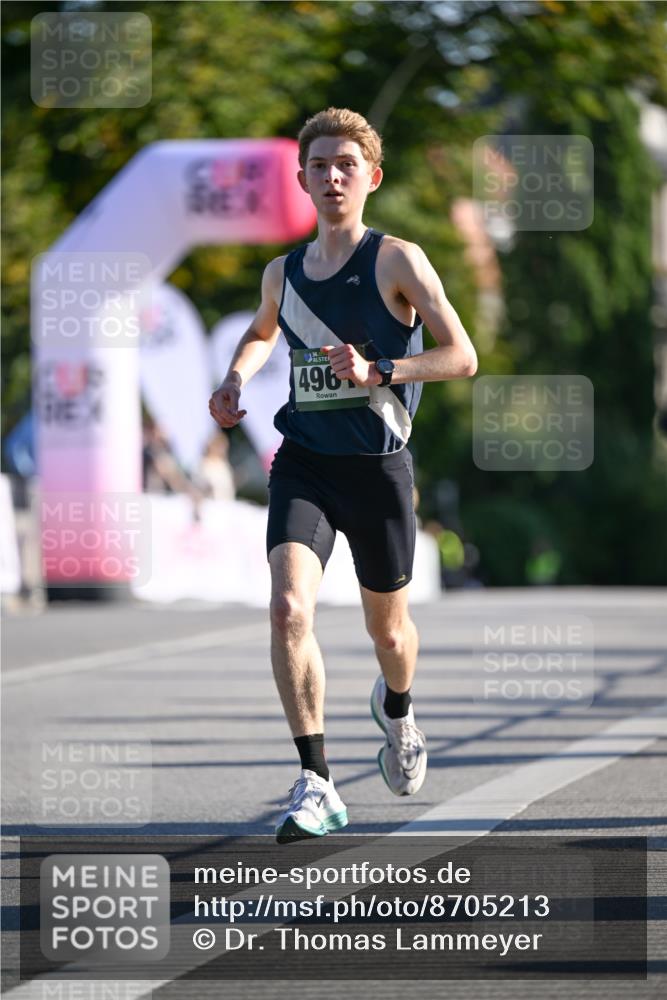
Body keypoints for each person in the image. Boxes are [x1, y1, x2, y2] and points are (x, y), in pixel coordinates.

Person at [209, 108, 477, 843]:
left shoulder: (397, 260)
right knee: (288, 608)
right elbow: (262, 329)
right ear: (302, 179)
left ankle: (398, 708)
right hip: (305, 463)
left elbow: (461, 357)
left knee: (389, 635)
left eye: (346, 166)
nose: (332, 177)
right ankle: (318, 781)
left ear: (371, 178)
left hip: (378, 469)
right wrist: (234, 378)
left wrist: (379, 368)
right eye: (319, 166)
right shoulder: (283, 272)